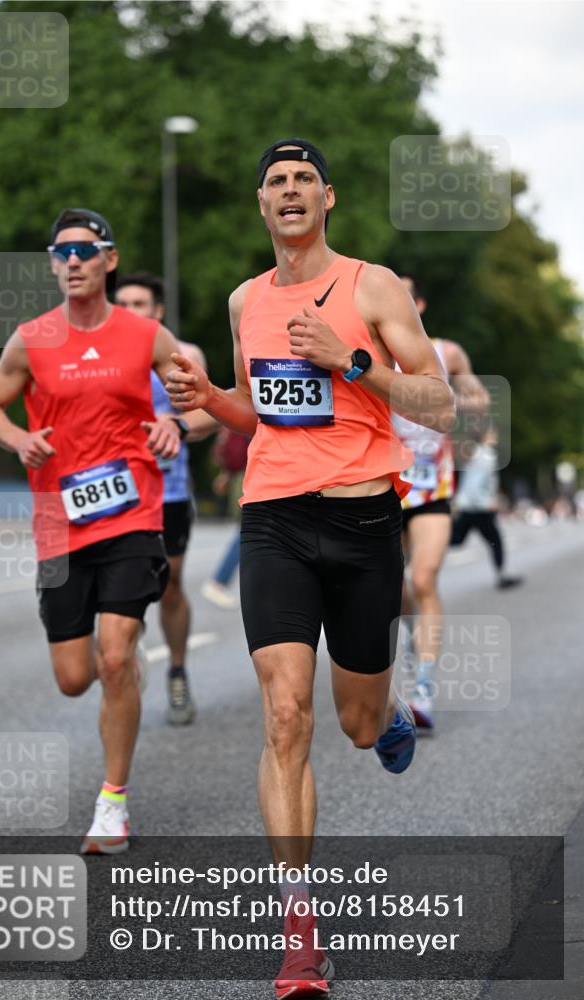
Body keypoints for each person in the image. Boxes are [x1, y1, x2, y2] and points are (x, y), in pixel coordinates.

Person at [166, 139, 456, 999]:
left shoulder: (372, 287)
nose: (288, 193)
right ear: (262, 205)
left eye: (302, 181)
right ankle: (300, 936)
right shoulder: (243, 299)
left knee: (357, 727)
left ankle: (388, 710)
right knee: (285, 715)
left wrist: (351, 361)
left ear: (326, 198)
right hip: (275, 521)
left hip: (365, 518)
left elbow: (438, 404)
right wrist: (209, 401)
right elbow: (258, 409)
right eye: (275, 183)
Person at [0, 208, 188, 855]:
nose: (72, 261)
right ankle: (123, 676)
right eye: (61, 252)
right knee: (74, 675)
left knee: (115, 656)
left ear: (108, 260)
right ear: (51, 263)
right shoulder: (31, 339)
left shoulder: (145, 335)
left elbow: (192, 394)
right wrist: (18, 437)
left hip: (132, 514)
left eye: (85, 251)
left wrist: (174, 424)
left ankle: (111, 804)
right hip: (60, 523)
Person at [392, 275, 489, 732]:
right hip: (384, 484)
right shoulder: (368, 351)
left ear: (421, 304)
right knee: (395, 586)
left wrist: (463, 406)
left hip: (432, 485)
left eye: (407, 297)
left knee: (425, 577)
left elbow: (477, 396)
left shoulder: (446, 352)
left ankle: (423, 686)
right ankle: (413, 634)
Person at [116, 271, 208, 725]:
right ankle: (124, 650)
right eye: (123, 303)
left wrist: (173, 424)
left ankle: (176, 668)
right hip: (119, 494)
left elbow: (208, 410)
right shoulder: (99, 357)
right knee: (121, 586)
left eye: (139, 304)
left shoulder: (182, 356)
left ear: (158, 312)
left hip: (168, 492)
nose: (129, 312)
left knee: (170, 586)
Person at [450, 426, 523, 588]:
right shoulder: (486, 456)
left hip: (468, 506)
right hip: (479, 508)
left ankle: (422, 543)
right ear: (483, 436)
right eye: (492, 434)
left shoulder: (475, 454)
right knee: (495, 541)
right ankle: (502, 575)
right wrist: (487, 502)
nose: (495, 436)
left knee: (457, 539)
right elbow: (475, 485)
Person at [201, 428, 249, 610]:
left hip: (243, 476)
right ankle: (219, 580)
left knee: (248, 531)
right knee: (249, 531)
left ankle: (219, 581)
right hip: (252, 476)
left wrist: (226, 474)